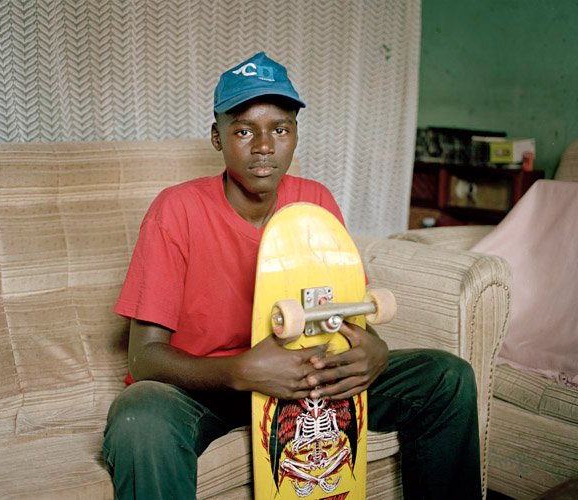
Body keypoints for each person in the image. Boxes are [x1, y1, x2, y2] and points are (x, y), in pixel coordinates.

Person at [102, 51, 481, 499]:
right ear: (216, 137)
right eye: (243, 130)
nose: (264, 146)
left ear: (295, 134)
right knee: (138, 418)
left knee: (446, 376)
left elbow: (348, 317)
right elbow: (144, 359)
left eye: (279, 129)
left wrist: (375, 352)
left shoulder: (315, 202)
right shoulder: (176, 210)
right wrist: (239, 371)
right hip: (215, 385)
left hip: (308, 380)